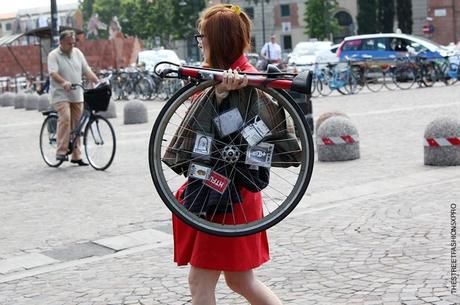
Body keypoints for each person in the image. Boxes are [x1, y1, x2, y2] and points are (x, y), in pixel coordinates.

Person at [172, 4, 283, 305]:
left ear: (218, 41)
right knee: (240, 280)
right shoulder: (227, 76)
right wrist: (217, 93)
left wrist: (225, 97)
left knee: (201, 281)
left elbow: (246, 135)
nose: (201, 43)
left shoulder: (246, 81)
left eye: (203, 37)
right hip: (228, 192)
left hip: (226, 192)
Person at [47, 30, 99, 166]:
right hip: (60, 94)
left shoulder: (77, 53)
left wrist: (95, 80)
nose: (71, 45)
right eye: (69, 43)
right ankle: (61, 151)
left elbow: (86, 69)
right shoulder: (53, 55)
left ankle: (76, 155)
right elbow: (53, 73)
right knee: (65, 117)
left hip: (76, 93)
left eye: (73, 43)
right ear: (61, 42)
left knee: (77, 125)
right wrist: (63, 82)